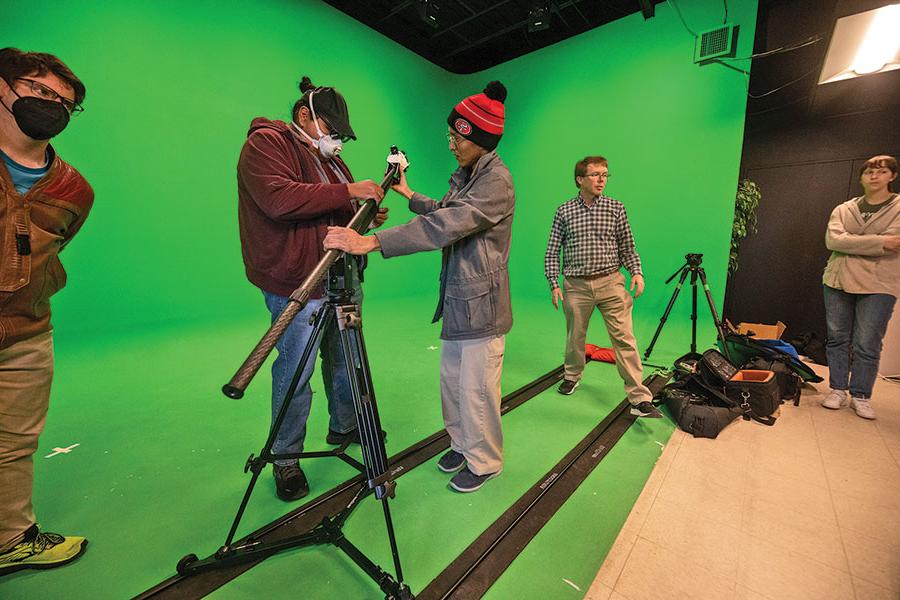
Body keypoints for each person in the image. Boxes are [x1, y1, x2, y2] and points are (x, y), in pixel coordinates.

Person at [324, 82, 514, 493]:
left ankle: (485, 462)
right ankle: (463, 445)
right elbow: (446, 209)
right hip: (458, 299)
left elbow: (448, 225)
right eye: (450, 135)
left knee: (478, 389)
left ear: (478, 138)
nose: (450, 144)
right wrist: (407, 192)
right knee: (452, 383)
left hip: (482, 305)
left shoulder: (496, 181)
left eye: (456, 137)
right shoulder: (467, 176)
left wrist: (373, 241)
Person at [236, 76, 388, 501]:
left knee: (344, 359)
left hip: (343, 276)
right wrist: (347, 191)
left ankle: (344, 424)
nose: (337, 139)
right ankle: (285, 459)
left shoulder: (333, 161)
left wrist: (361, 214)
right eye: (332, 128)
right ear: (304, 116)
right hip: (297, 281)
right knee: (295, 371)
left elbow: (334, 205)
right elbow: (279, 199)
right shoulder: (265, 144)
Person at [0, 48, 92, 575]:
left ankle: (12, 537)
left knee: (14, 442)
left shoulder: (74, 189)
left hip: (26, 330)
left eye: (64, 103)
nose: (52, 105)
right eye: (40, 91)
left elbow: (49, 251)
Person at [544, 156, 661, 418]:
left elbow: (627, 246)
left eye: (605, 175)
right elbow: (552, 252)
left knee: (624, 339)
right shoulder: (564, 212)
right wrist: (554, 284)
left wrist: (637, 273)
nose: (601, 180)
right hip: (576, 286)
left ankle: (639, 396)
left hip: (611, 283)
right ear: (580, 179)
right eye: (595, 175)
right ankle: (572, 375)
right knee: (575, 337)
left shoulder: (616, 208)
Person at [821, 155, 900, 420]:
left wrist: (851, 241)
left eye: (881, 170)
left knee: (867, 342)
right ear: (861, 177)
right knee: (837, 338)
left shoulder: (898, 207)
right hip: (838, 279)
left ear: (892, 176)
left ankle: (862, 395)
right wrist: (879, 242)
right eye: (868, 171)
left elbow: (896, 242)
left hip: (878, 284)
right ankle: (838, 389)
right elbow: (833, 241)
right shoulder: (844, 208)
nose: (874, 175)